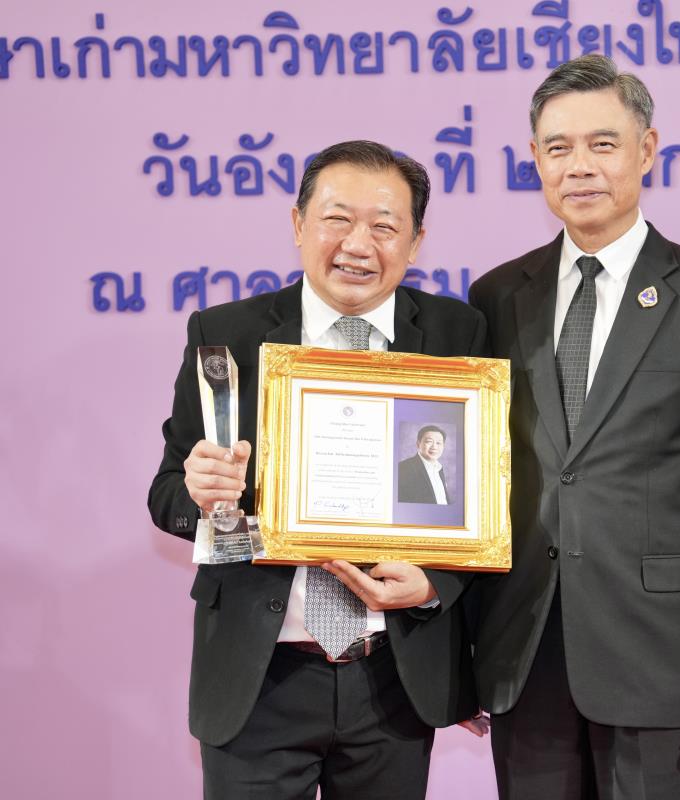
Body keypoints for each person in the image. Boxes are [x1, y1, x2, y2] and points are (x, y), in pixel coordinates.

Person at [468, 54, 680, 799]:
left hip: (662, 660)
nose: (580, 166)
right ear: (535, 159)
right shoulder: (497, 296)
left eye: (602, 144)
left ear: (647, 149)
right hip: (525, 650)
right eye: (558, 147)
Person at [147, 140, 486, 799]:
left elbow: (487, 497)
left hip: (393, 677)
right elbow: (167, 495)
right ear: (299, 223)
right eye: (337, 219)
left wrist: (434, 583)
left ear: (416, 242)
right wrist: (201, 494)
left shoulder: (457, 335)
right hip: (260, 675)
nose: (359, 244)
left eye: (384, 226)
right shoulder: (227, 333)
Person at [397, 425, 451, 504]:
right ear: (418, 444)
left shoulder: (439, 468)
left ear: (443, 446)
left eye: (438, 443)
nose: (434, 447)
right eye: (429, 442)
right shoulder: (403, 468)